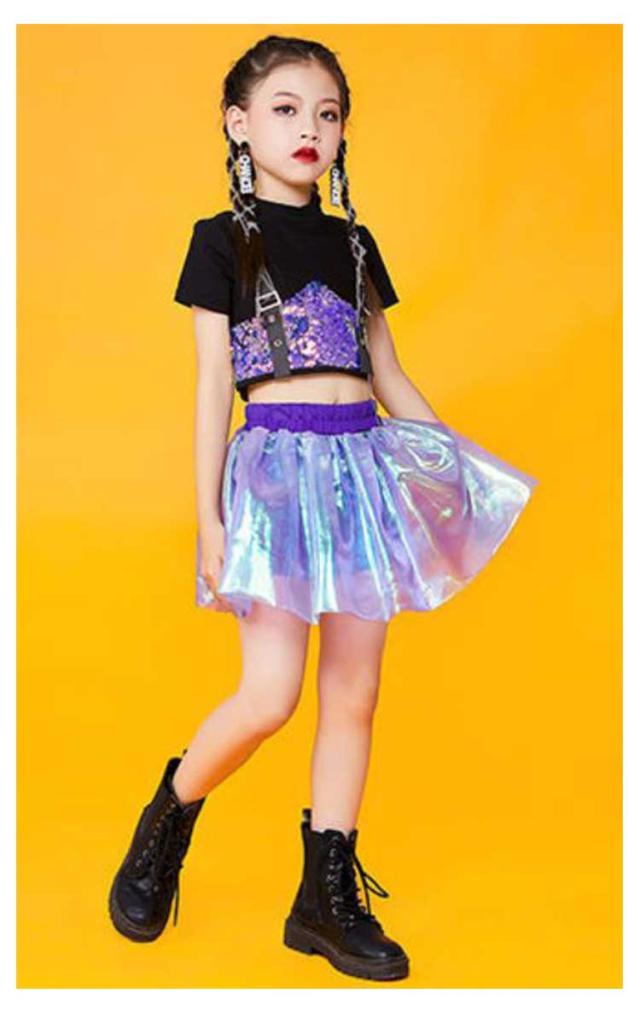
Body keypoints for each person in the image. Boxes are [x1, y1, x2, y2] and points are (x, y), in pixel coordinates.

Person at [108, 34, 538, 982]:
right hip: (272, 477)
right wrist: (210, 518)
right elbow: (212, 384)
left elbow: (387, 372)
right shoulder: (221, 240)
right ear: (239, 123)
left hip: (362, 472)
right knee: (272, 693)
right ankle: (170, 813)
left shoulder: (353, 243)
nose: (311, 127)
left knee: (355, 692)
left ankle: (325, 897)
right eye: (286, 108)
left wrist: (457, 462)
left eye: (329, 112)